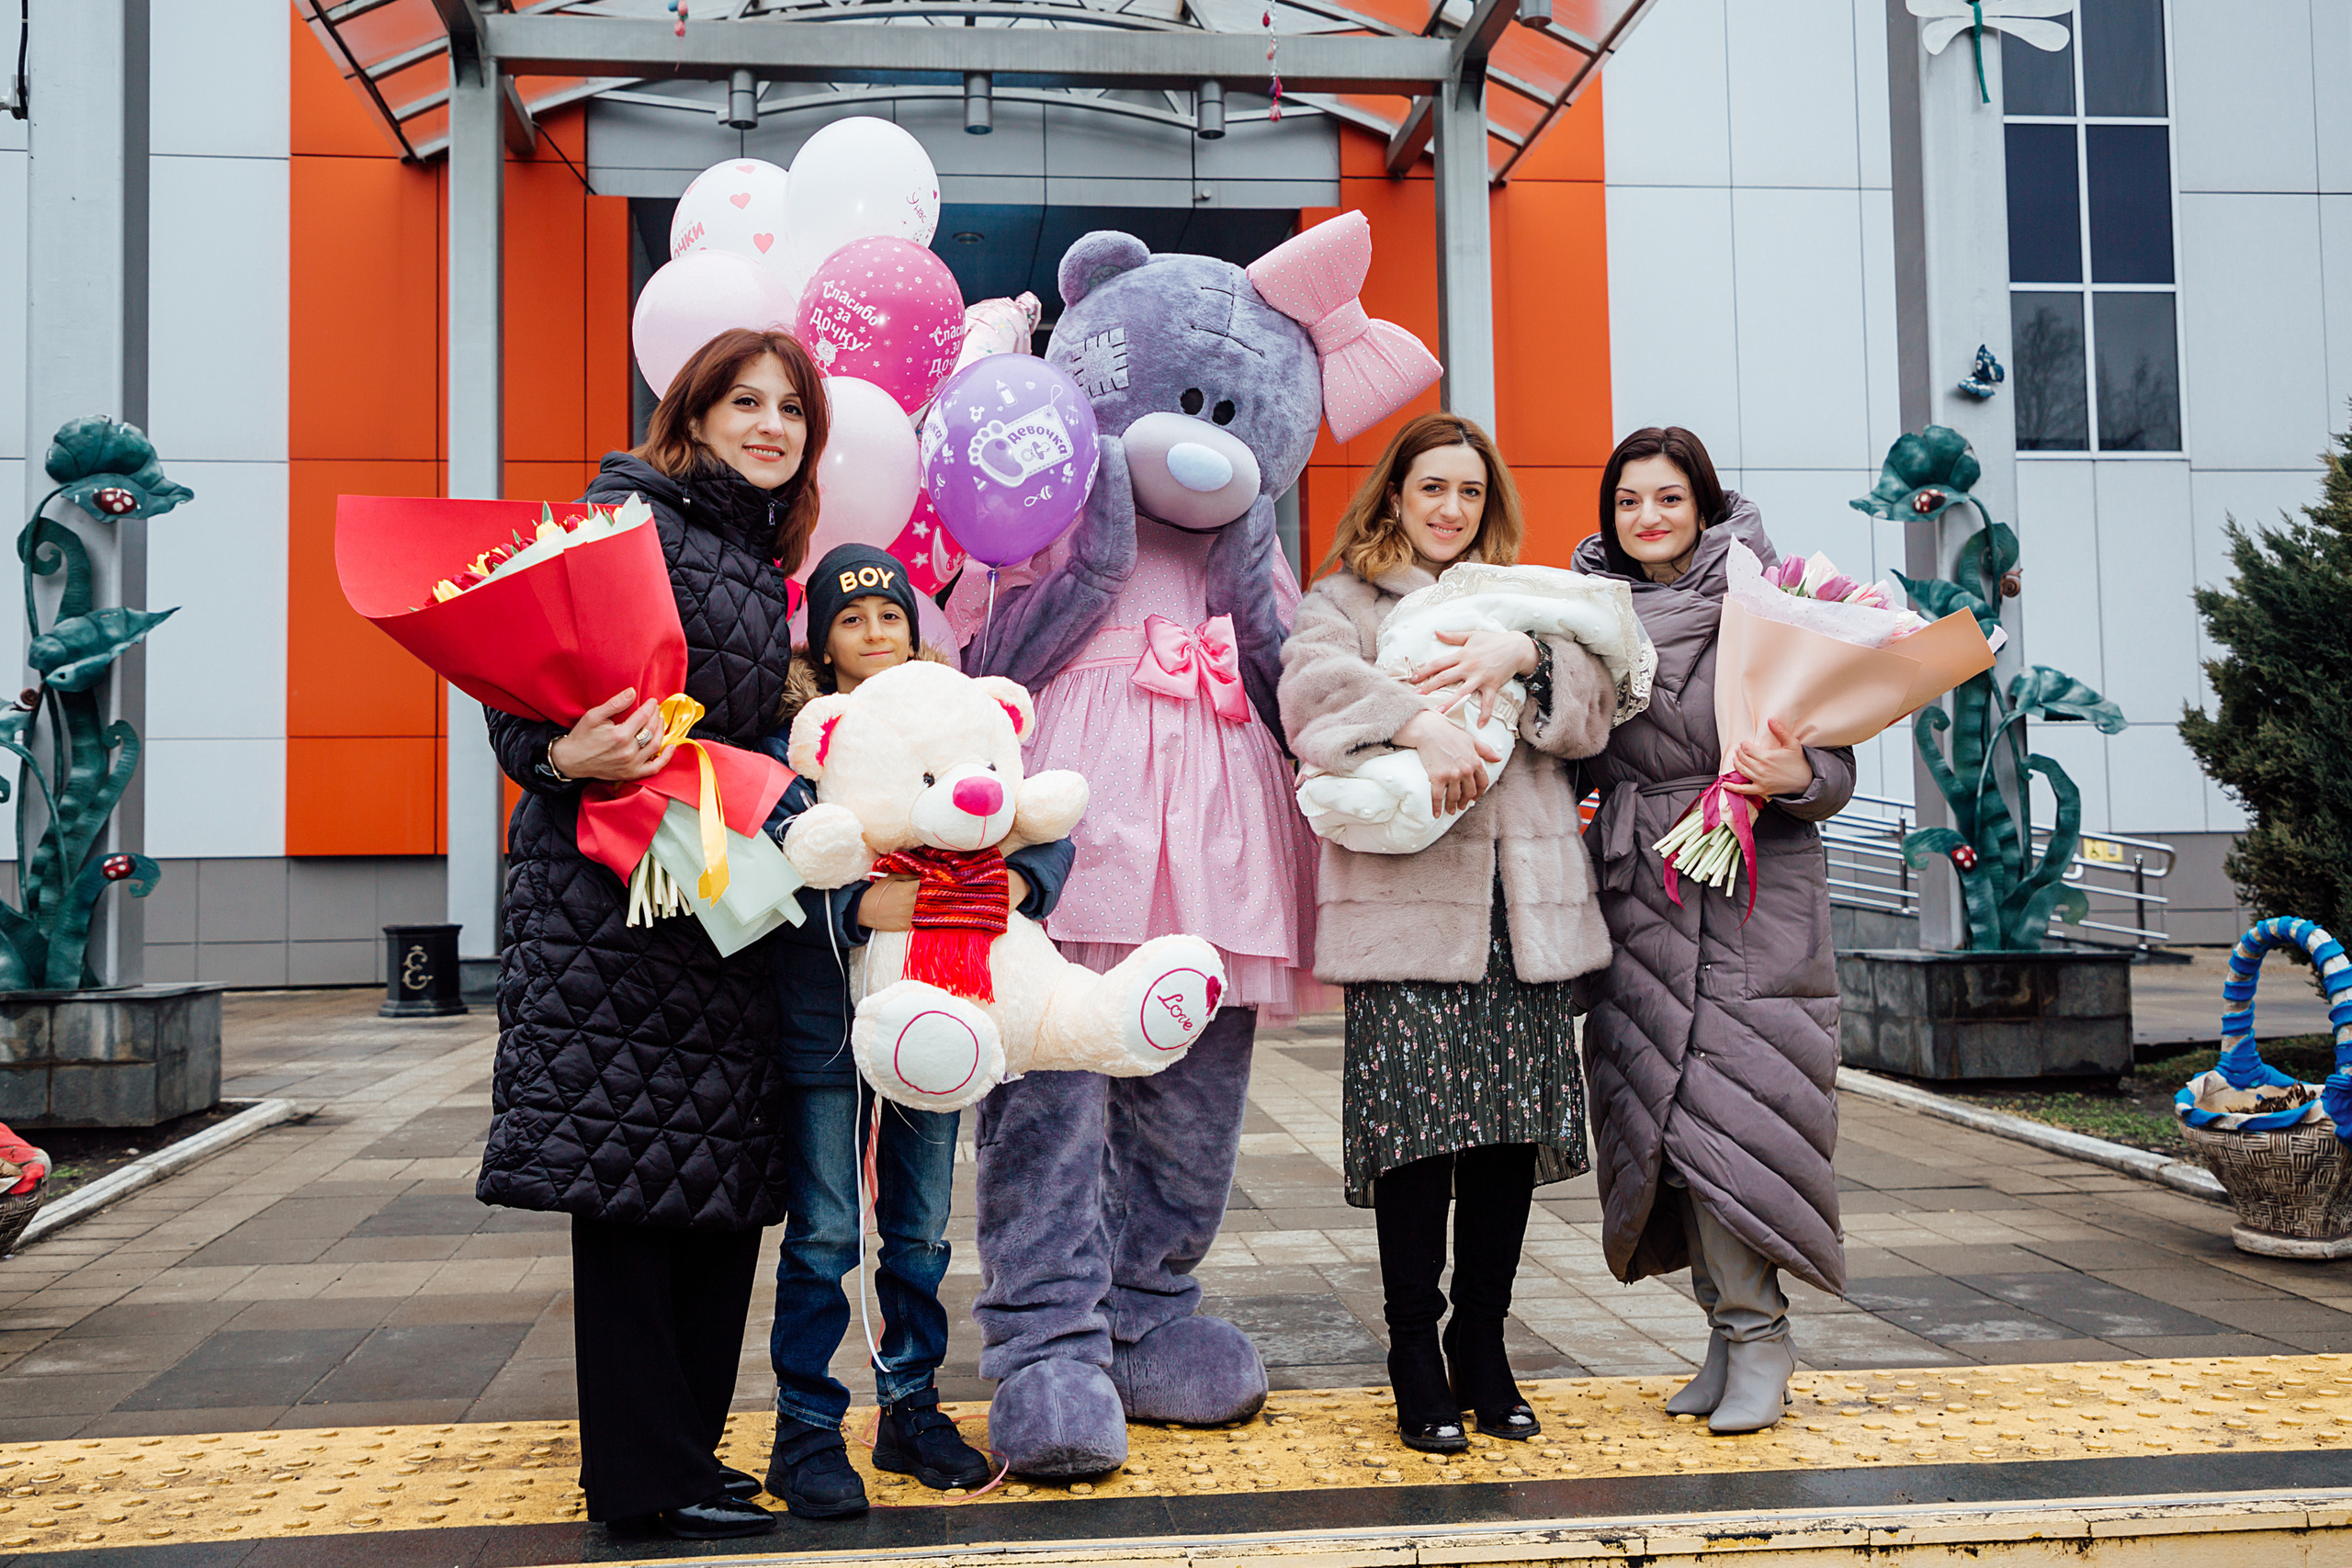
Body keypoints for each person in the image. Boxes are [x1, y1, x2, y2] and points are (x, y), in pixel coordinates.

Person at [477, 328, 827, 1540]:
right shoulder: (629, 516)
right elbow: (520, 670)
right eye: (746, 400)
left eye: (791, 408)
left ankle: (686, 1446)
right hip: (615, 911)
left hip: (712, 893)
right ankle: (640, 1477)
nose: (771, 423)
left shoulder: (749, 548)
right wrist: (556, 755)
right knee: (635, 1194)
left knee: (717, 1183)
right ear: (696, 410)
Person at [1275, 412, 1619, 1453]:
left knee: (1507, 1141)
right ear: (1394, 495)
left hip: (1523, 913)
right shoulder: (1343, 598)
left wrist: (1531, 653)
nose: (1450, 509)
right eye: (1432, 488)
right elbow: (1307, 690)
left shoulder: (1525, 601)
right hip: (1407, 918)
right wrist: (1413, 721)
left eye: (1469, 492)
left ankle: (1483, 1342)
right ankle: (1413, 1349)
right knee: (1418, 1144)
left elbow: (1594, 718)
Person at [756, 543, 1075, 1519]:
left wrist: (1019, 885)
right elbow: (778, 861)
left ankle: (909, 1408)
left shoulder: (958, 713)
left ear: (913, 625)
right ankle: (804, 1429)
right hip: (826, 1032)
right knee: (820, 1233)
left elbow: (1035, 817)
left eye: (888, 614)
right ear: (822, 639)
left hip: (944, 1016)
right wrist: (860, 908)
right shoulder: (798, 748)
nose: (873, 632)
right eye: (849, 619)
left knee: (922, 1232)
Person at [1571, 426, 1854, 1435]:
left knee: (1732, 1116)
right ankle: (1722, 1336)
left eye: (1668, 500)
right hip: (1640, 888)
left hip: (1748, 888)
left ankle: (1760, 1337)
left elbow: (1831, 760)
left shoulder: (1762, 604)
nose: (1647, 519)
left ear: (1704, 505)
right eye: (1628, 503)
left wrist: (1800, 778)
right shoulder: (1587, 619)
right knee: (1660, 1122)